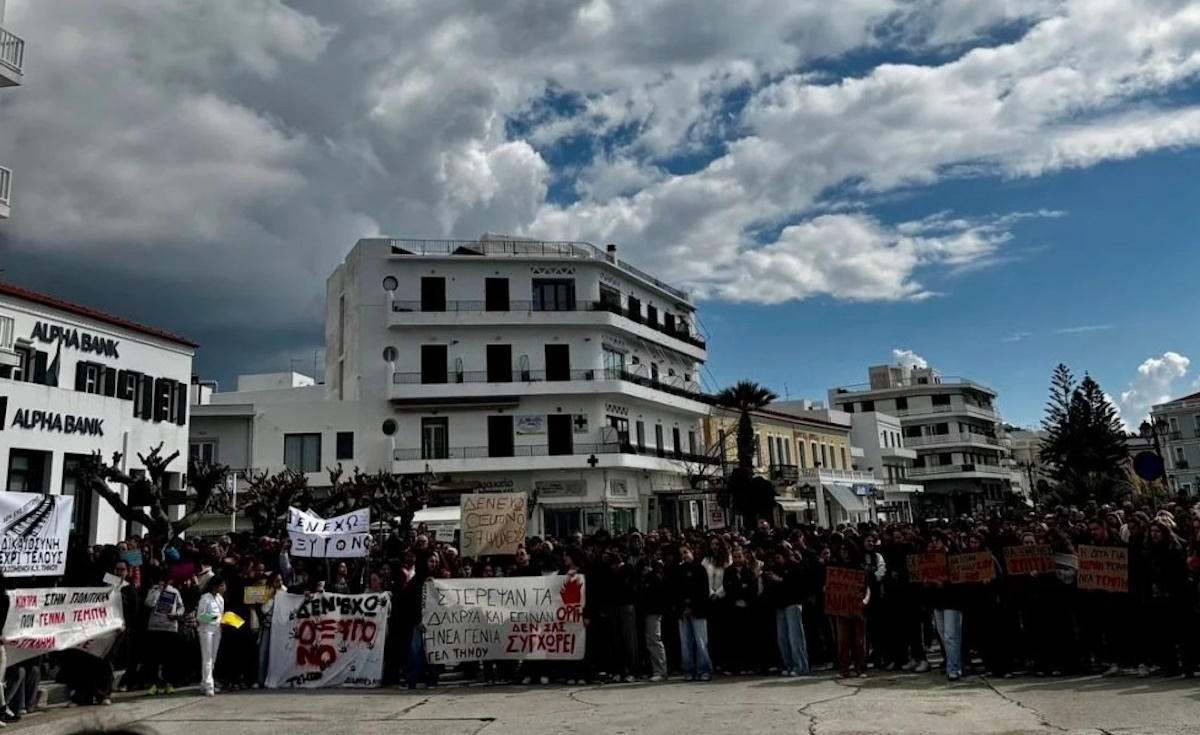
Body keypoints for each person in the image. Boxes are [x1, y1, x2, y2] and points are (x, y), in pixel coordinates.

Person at [197, 576, 226, 697]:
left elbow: (221, 613)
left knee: (213, 658)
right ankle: (209, 685)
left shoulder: (220, 599)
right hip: (206, 630)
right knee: (207, 658)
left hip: (217, 629)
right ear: (215, 586)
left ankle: (205, 682)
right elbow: (199, 617)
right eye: (221, 585)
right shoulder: (205, 599)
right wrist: (212, 617)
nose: (224, 588)